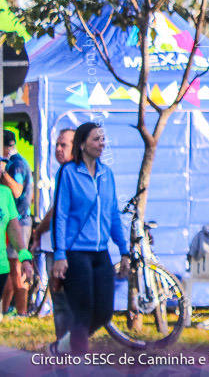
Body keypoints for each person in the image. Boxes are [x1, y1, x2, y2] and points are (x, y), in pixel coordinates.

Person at [51, 123, 129, 355]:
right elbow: (61, 215)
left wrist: (124, 251)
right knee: (82, 313)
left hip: (100, 252)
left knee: (104, 313)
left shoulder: (107, 174)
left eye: (103, 139)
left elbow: (113, 214)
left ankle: (62, 348)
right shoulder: (68, 173)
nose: (102, 144)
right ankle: (76, 360)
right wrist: (60, 255)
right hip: (76, 253)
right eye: (96, 139)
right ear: (83, 144)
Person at [28, 128, 75, 349]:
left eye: (63, 145)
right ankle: (63, 347)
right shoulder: (63, 172)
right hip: (53, 246)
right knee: (59, 303)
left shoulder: (75, 172)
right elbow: (54, 209)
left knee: (67, 303)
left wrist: (38, 232)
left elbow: (58, 211)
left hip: (65, 250)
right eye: (56, 144)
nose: (57, 149)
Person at [1, 129, 32, 316]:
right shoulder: (16, 161)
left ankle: (22, 313)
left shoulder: (17, 163)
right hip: (17, 221)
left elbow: (17, 191)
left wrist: (2, 173)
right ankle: (7, 311)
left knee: (17, 269)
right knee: (12, 270)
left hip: (19, 222)